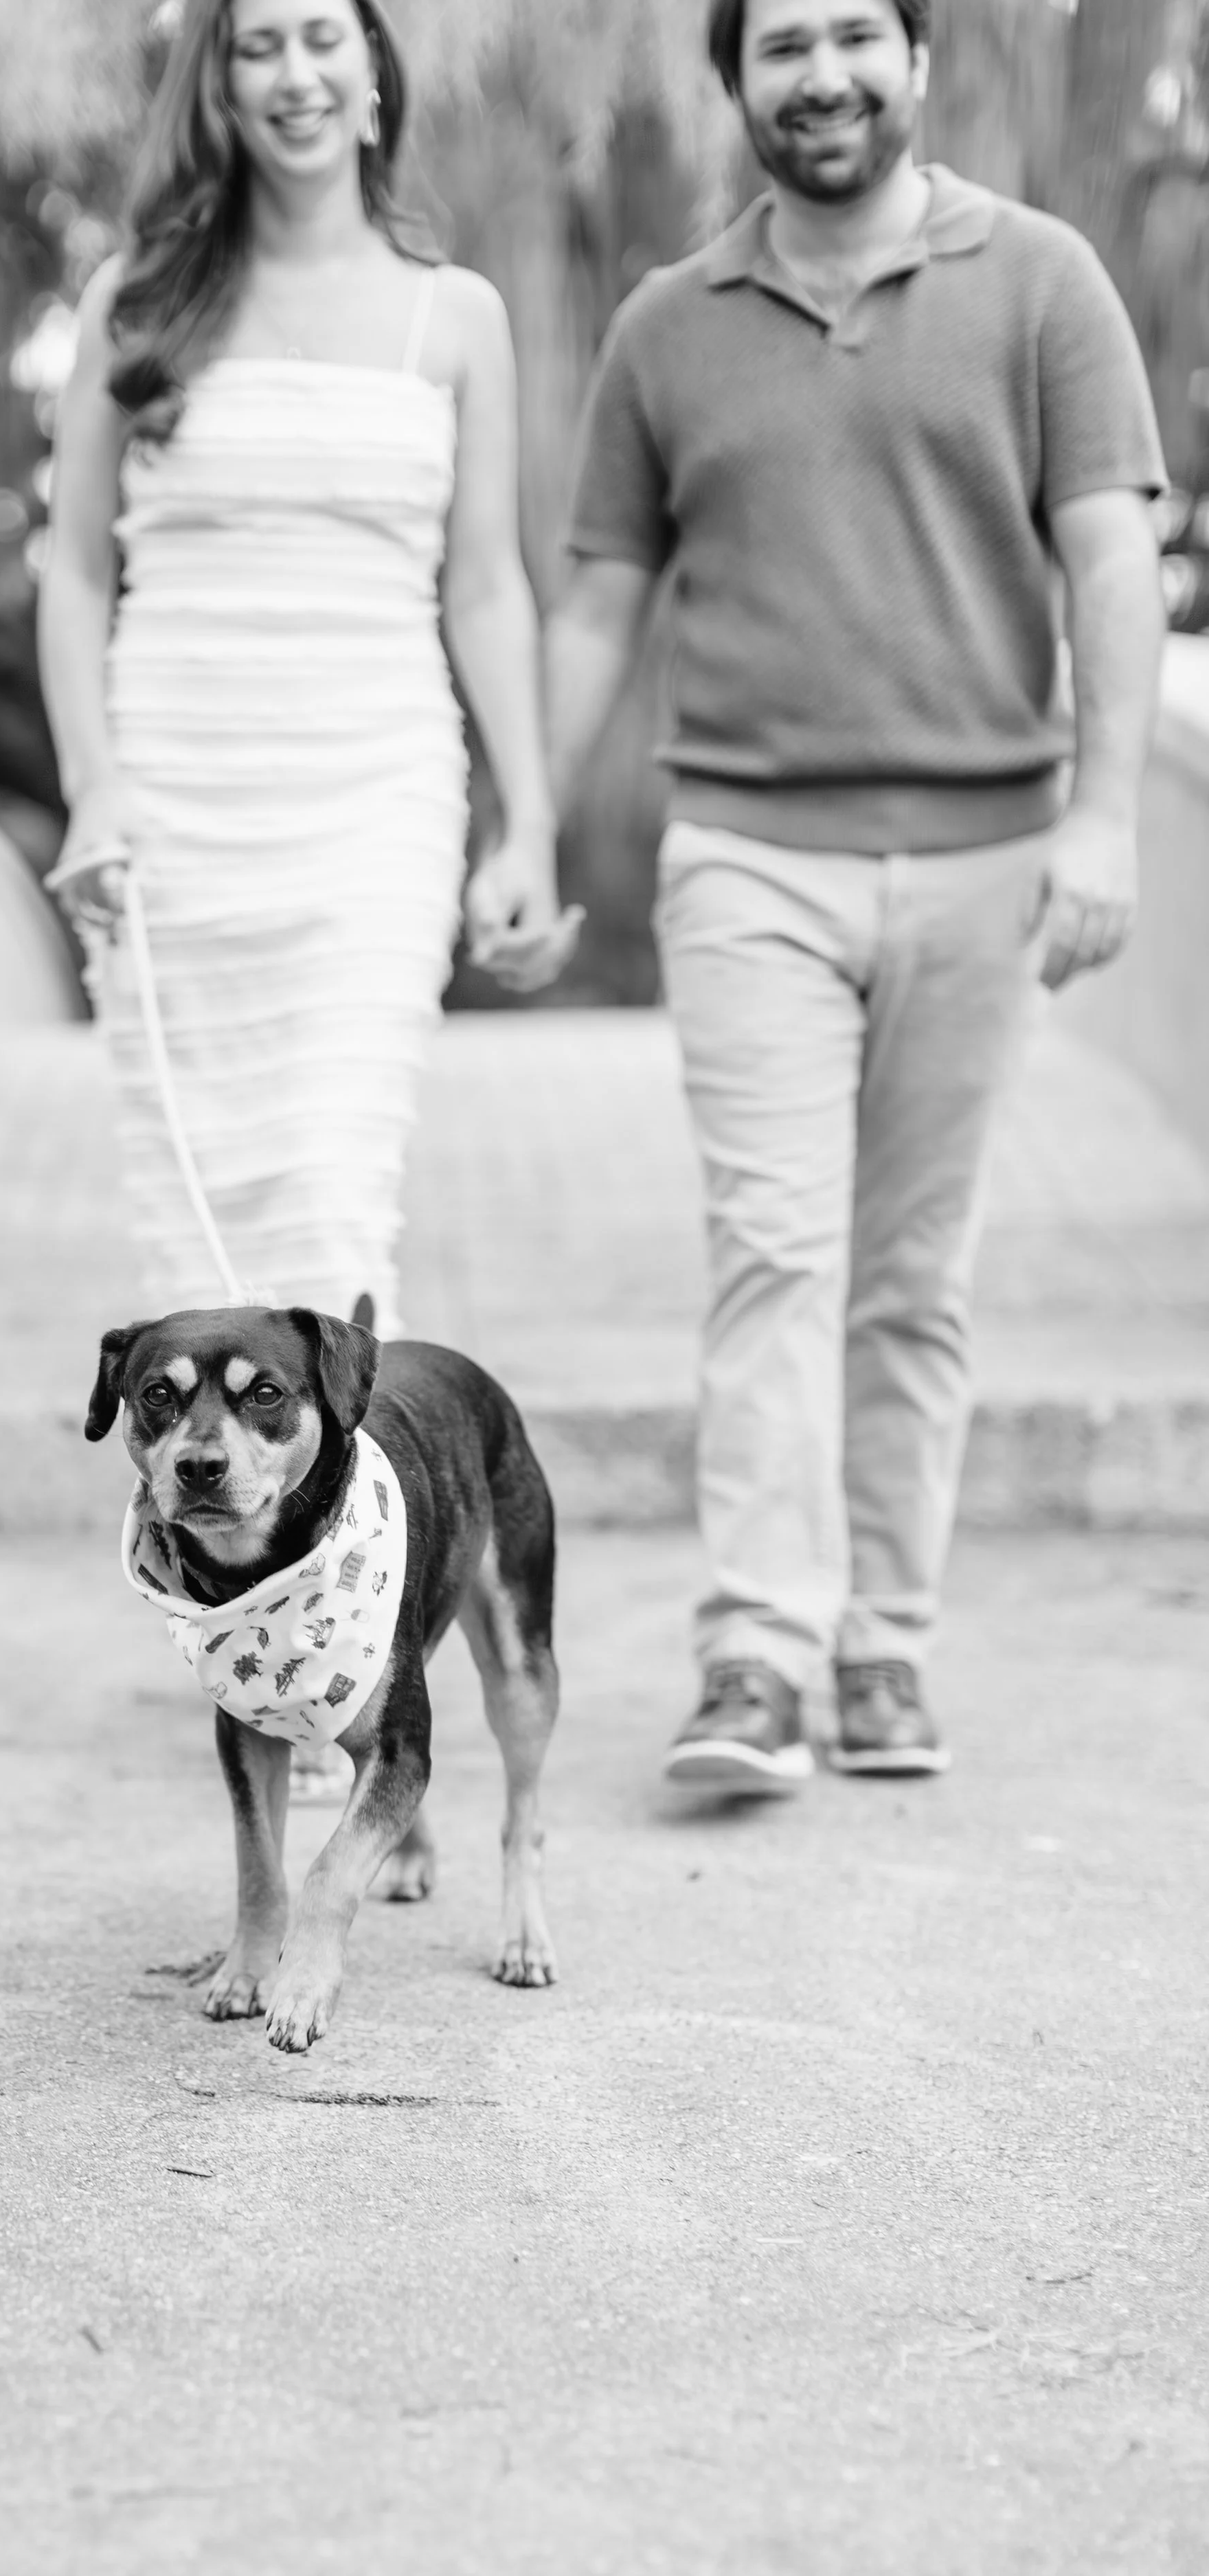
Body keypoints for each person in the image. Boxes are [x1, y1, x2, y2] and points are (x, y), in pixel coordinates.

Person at [548, 0, 1167, 1795]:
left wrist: (1103, 815)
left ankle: (884, 1644)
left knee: (908, 1274)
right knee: (771, 1250)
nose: (818, 76)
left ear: (913, 60)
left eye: (851, 37)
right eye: (779, 48)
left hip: (982, 853)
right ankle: (755, 1647)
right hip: (745, 849)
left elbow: (1108, 550)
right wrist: (507, 828)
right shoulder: (668, 323)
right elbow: (597, 599)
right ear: (731, 82)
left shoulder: (1040, 281)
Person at [38, 0, 579, 1346]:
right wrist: (91, 789)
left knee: (333, 1208)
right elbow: (71, 573)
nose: (295, 73)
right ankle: (209, 1556)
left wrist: (529, 825)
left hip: (371, 805)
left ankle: (351, 1558)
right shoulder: (134, 305)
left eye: (321, 38)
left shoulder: (454, 319)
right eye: (257, 44)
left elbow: (486, 585)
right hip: (171, 817)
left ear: (374, 77)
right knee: (194, 1230)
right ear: (215, 86)